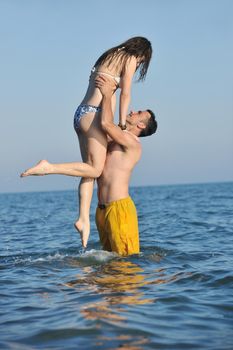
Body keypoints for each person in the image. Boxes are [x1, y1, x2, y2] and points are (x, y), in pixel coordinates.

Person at [21, 36, 152, 249]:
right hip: (93, 115)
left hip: (81, 113)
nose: (138, 65)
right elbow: (126, 92)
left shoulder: (109, 56)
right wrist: (120, 122)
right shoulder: (129, 58)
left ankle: (83, 219)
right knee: (94, 169)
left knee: (87, 171)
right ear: (141, 53)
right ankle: (49, 167)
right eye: (141, 62)